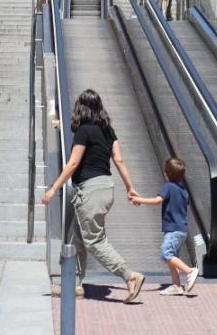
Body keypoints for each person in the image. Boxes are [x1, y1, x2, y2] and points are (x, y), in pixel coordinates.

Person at [42, 90, 146, 303]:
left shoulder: (84, 131)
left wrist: (54, 188)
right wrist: (130, 187)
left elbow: (73, 163)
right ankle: (73, 284)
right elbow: (119, 161)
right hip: (106, 188)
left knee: (94, 240)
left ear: (81, 108)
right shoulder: (109, 131)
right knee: (75, 238)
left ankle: (129, 275)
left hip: (90, 190)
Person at [132, 157, 199, 295]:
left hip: (173, 230)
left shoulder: (168, 187)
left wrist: (139, 200)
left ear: (166, 173)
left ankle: (189, 271)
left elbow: (157, 201)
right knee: (172, 258)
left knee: (166, 253)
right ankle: (176, 286)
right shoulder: (183, 190)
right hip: (182, 230)